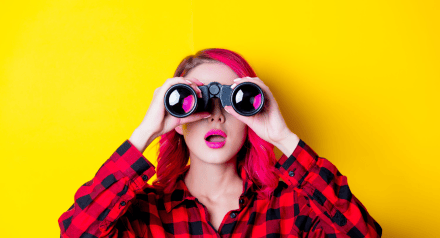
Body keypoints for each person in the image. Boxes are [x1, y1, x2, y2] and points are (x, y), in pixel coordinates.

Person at [58, 48, 382, 237]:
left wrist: (282, 137)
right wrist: (147, 131)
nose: (216, 116)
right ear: (178, 118)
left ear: (251, 111)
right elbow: (74, 232)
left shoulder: (290, 207)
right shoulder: (146, 213)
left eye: (233, 101)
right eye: (198, 102)